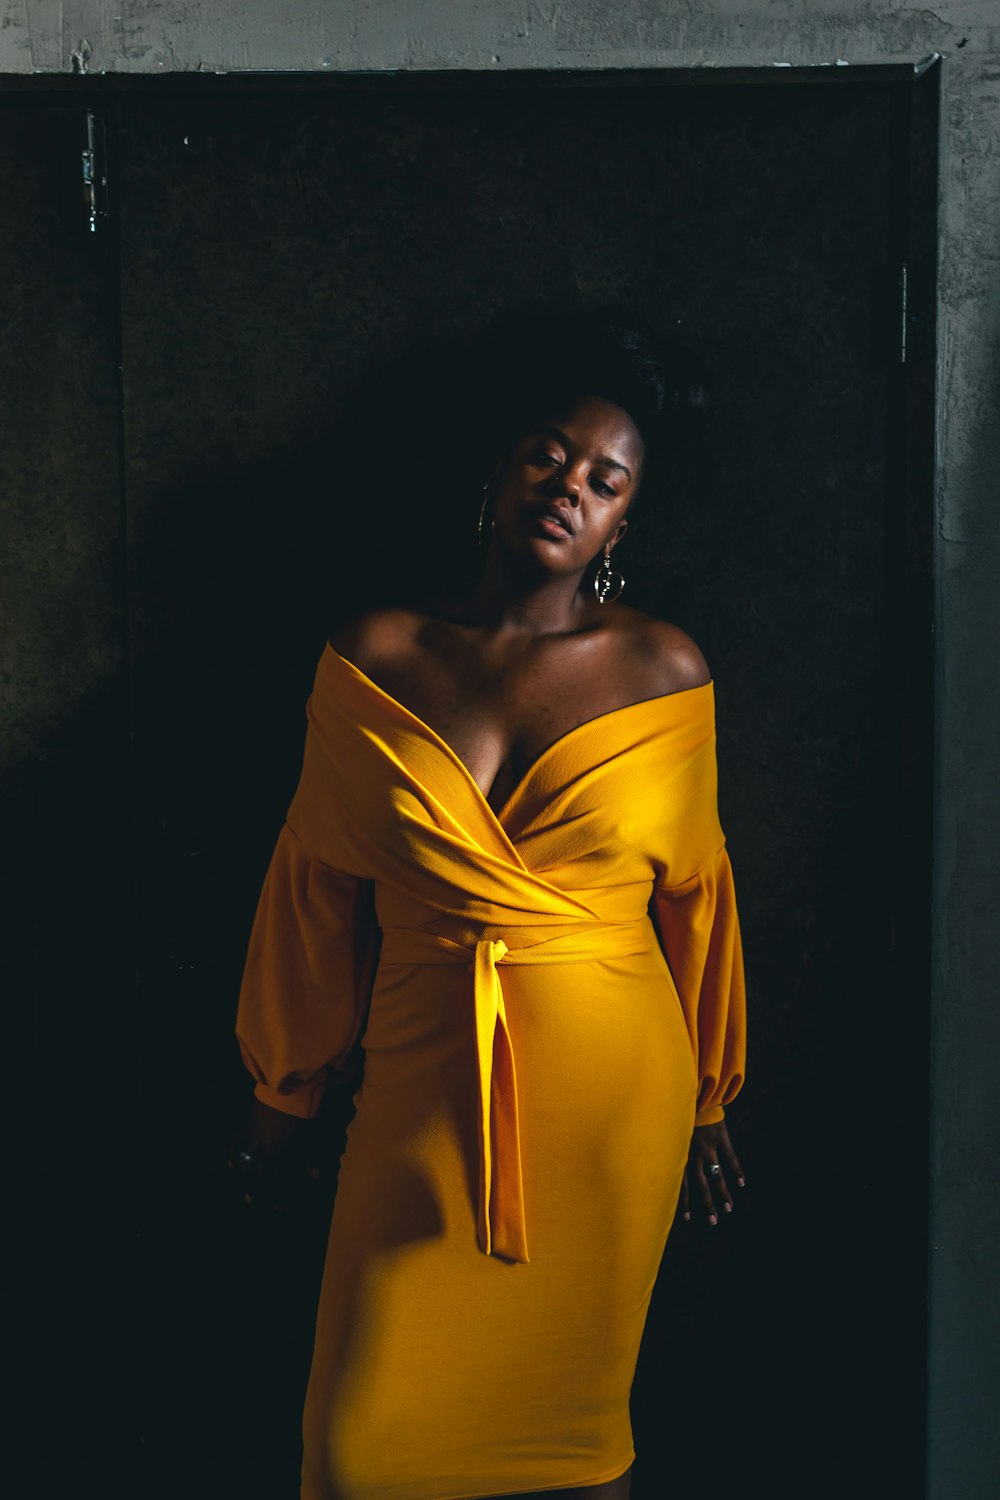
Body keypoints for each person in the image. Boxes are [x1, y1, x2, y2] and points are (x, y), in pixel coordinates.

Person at [232, 310, 747, 1500]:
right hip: (420, 1082)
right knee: (358, 1450)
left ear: (624, 520)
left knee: (575, 1448)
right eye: (549, 454)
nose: (569, 488)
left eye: (605, 480)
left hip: (612, 1115)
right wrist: (284, 1090)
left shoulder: (666, 672)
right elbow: (314, 893)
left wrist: (711, 1098)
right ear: (499, 465)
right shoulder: (373, 656)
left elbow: (699, 904)